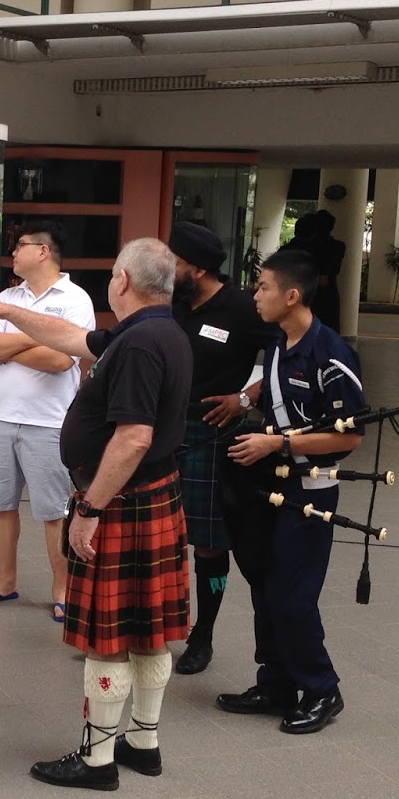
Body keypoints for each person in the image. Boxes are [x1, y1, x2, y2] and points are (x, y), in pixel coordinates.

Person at [0, 238, 192, 790]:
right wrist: (7, 311)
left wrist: (89, 508)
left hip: (121, 500)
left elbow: (133, 437)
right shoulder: (156, 331)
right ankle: (144, 744)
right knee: (147, 632)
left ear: (123, 282)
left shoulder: (139, 345)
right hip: (151, 498)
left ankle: (96, 762)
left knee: (108, 639)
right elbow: (70, 338)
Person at [217, 249, 365, 736]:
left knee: (292, 596)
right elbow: (272, 387)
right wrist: (243, 399)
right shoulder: (280, 341)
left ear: (292, 295)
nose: (255, 295)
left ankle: (322, 688)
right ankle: (276, 683)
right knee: (264, 584)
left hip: (312, 491)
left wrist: (277, 441)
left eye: (262, 287)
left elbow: (349, 436)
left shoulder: (332, 353)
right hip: (271, 486)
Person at [164, 222, 277, 676]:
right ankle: (145, 629)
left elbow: (286, 356)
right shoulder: (171, 303)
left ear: (197, 268)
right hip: (162, 430)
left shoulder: (242, 306)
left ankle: (202, 635)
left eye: (174, 262)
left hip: (211, 434)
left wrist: (246, 398)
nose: (167, 269)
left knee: (209, 545)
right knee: (154, 536)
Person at [0, 221, 95, 618]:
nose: (13, 253)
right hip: (2, 417)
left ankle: (62, 589)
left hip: (50, 422)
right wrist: (40, 336)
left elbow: (62, 360)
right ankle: (6, 582)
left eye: (19, 246)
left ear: (43, 251)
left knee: (53, 511)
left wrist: (14, 340)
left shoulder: (75, 299)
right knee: (0, 504)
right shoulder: (8, 296)